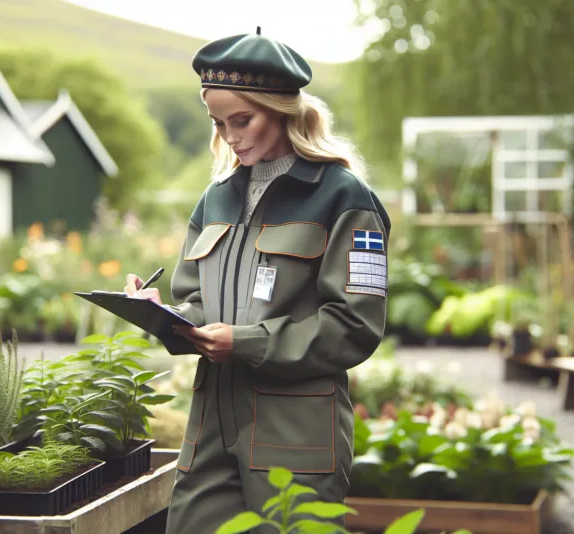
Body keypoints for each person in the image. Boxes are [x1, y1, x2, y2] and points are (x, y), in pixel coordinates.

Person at [124, 27, 391, 534]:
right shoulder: (216, 198)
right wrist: (164, 316)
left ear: (282, 109)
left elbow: (354, 326)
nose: (230, 136)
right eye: (219, 123)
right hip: (209, 428)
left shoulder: (344, 198)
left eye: (242, 120)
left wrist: (245, 342)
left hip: (295, 434)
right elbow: (197, 301)